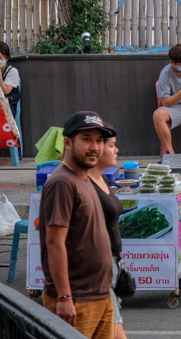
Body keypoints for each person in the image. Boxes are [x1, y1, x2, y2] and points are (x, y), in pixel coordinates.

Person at [40, 111, 116, 338]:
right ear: (67, 142)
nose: (95, 147)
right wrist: (64, 297)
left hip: (100, 295)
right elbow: (54, 243)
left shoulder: (84, 178)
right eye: (87, 139)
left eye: (99, 141)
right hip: (76, 299)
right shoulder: (62, 182)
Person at [88, 136, 128, 339]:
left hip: (112, 262)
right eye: (112, 146)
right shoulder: (79, 183)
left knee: (112, 328)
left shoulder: (102, 179)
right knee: (114, 330)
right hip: (95, 269)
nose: (117, 150)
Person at [0, 41, 20, 119]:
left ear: (6, 58)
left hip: (7, 108)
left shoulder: (12, 71)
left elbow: (6, 91)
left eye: (0, 58)